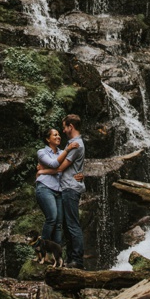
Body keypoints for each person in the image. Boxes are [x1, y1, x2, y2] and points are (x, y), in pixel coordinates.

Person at [36, 114, 85, 269]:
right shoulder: (65, 147)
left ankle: (76, 260)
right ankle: (63, 257)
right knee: (60, 222)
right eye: (56, 133)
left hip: (69, 188)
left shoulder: (75, 144)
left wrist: (43, 172)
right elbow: (64, 165)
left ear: (70, 126)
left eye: (63, 128)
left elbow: (60, 168)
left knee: (71, 225)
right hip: (62, 188)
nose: (62, 132)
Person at [34, 128, 72, 246]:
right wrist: (68, 149)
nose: (58, 136)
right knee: (52, 218)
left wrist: (43, 171)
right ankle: (42, 249)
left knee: (59, 224)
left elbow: (67, 168)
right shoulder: (41, 152)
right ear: (47, 139)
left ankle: (57, 254)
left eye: (59, 134)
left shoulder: (62, 153)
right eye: (55, 135)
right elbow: (54, 164)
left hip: (59, 190)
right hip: (45, 187)